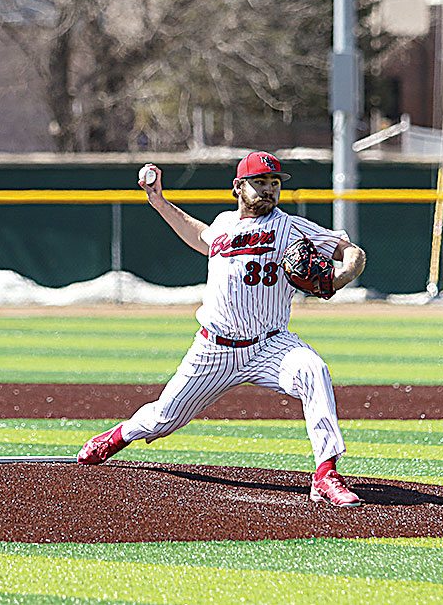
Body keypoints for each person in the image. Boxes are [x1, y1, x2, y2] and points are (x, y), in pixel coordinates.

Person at [77, 151, 368, 507]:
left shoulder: (290, 227)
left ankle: (326, 473)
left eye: (274, 183)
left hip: (270, 345)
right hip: (214, 349)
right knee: (163, 419)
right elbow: (200, 236)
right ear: (238, 187)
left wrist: (342, 275)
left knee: (313, 370)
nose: (269, 189)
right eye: (259, 182)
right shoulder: (224, 224)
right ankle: (119, 435)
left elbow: (351, 251)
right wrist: (159, 202)